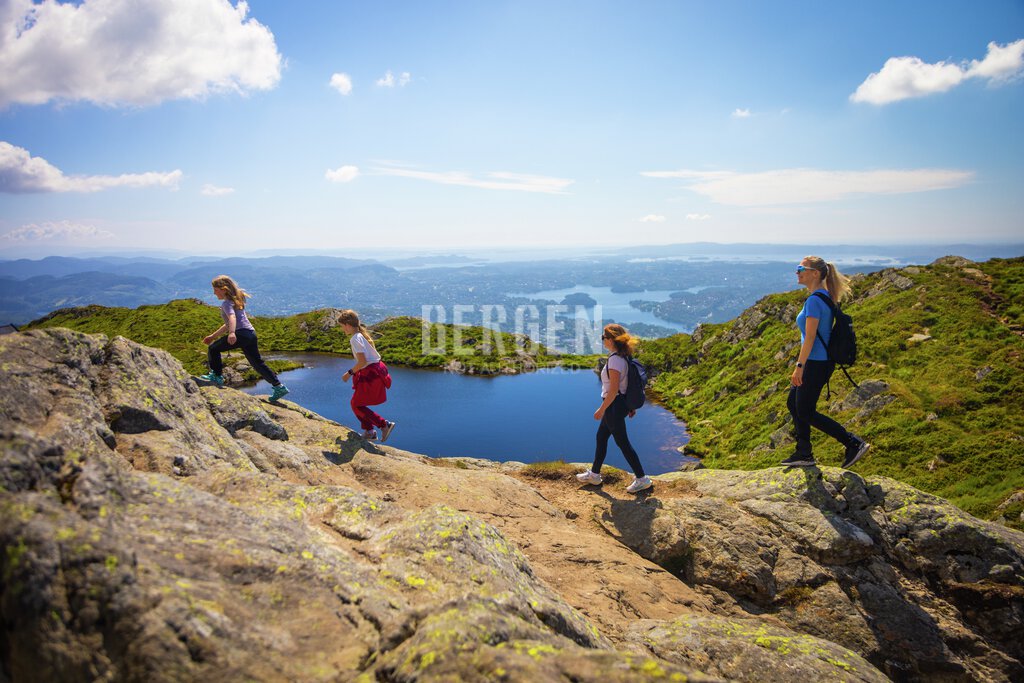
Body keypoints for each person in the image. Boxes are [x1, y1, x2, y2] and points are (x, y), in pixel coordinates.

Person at [781, 256, 870, 469]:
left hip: (815, 363)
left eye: (801, 268)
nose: (797, 272)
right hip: (821, 362)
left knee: (806, 411)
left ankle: (852, 443)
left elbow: (810, 337)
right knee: (793, 403)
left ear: (815, 273)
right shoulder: (825, 296)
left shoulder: (814, 300)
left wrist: (799, 367)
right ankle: (803, 452)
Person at [576, 323, 653, 493]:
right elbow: (627, 385)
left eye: (603, 337)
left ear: (611, 340)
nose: (603, 340)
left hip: (614, 406)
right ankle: (594, 475)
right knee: (601, 437)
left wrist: (602, 409)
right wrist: (630, 406)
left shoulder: (615, 360)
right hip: (620, 404)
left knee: (622, 443)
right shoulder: (623, 356)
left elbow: (613, 390)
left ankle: (642, 479)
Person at [199, 275, 290, 402]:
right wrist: (213, 336)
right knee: (257, 363)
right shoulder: (237, 300)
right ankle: (278, 386)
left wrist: (232, 333)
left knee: (213, 348)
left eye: (215, 290)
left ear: (223, 289)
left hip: (241, 334)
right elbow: (228, 323)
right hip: (250, 334)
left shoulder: (227, 303)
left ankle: (216, 376)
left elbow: (232, 318)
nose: (214, 293)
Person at [339, 309, 396, 442]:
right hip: (375, 372)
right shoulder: (360, 335)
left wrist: (349, 373)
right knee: (356, 403)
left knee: (356, 404)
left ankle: (383, 425)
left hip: (371, 375)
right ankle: (370, 431)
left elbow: (362, 362)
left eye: (342, 326)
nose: (342, 329)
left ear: (347, 325)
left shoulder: (355, 338)